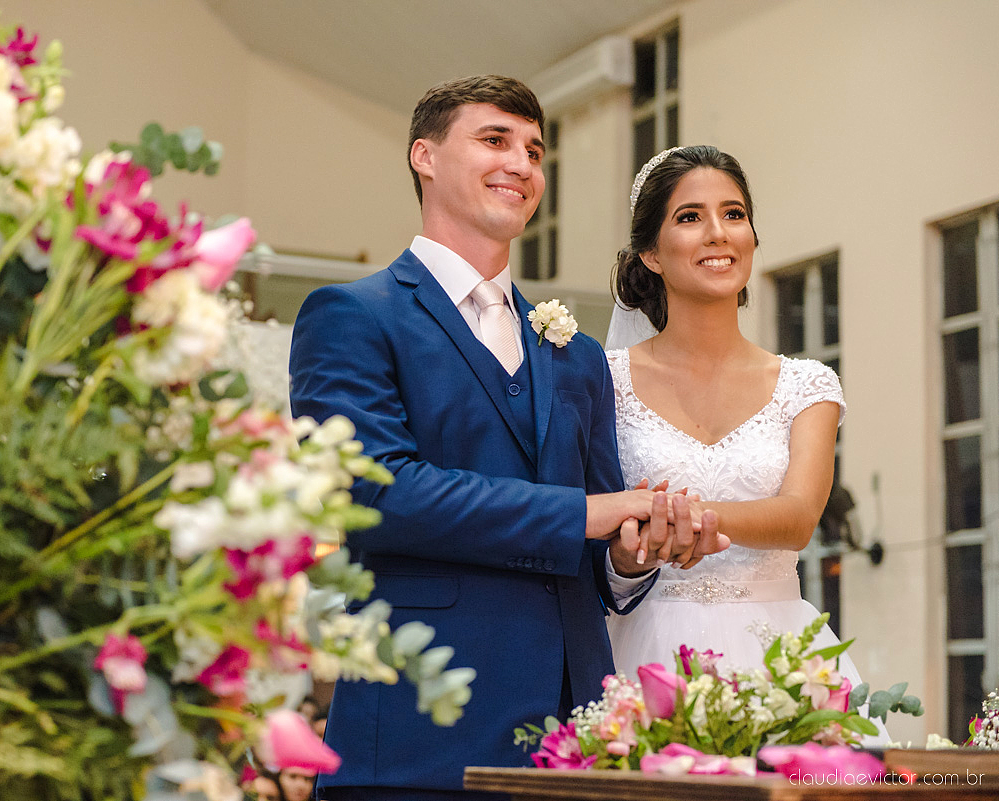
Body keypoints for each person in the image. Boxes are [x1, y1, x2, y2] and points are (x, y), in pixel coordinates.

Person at [289, 76, 726, 800]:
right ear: (424, 156)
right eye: (495, 140)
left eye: (535, 149)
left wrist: (628, 550)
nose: (522, 164)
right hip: (417, 733)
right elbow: (371, 490)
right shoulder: (351, 316)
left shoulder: (576, 353)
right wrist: (588, 514)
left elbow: (600, 544)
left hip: (572, 730)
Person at [603, 145, 886, 742]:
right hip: (646, 652)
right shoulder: (603, 380)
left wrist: (678, 513)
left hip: (780, 652)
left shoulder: (807, 384)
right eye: (689, 217)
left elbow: (798, 518)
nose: (717, 234)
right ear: (650, 253)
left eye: (734, 214)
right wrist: (629, 552)